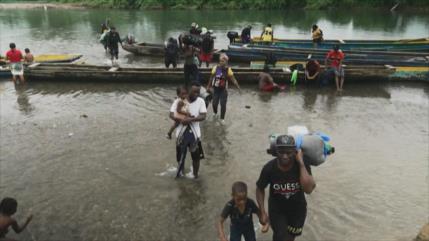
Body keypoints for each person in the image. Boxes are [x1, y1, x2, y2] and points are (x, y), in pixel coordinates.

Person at [256, 135, 316, 241]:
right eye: (281, 152)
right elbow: (260, 188)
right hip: (277, 210)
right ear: (276, 151)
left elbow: (309, 189)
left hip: (298, 211)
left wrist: (301, 163)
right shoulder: (269, 168)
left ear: (295, 152)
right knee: (280, 237)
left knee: (290, 237)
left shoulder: (302, 165)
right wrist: (262, 211)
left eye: (288, 153)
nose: (284, 156)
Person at [169, 82, 207, 179]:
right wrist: (181, 120)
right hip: (181, 133)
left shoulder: (201, 101)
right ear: (189, 90)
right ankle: (180, 174)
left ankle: (195, 175)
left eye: (198, 92)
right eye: (194, 92)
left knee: (196, 157)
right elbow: (171, 115)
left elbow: (203, 116)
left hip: (195, 134)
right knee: (180, 157)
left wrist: (190, 120)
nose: (196, 94)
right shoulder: (178, 101)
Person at [206, 54, 240, 123]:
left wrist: (238, 87)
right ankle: (215, 113)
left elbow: (233, 79)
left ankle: (222, 119)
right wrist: (208, 86)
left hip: (223, 89)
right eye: (220, 61)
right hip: (216, 89)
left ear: (226, 62)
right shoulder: (216, 68)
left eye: (223, 61)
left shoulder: (228, 70)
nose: (221, 62)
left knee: (223, 104)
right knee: (214, 103)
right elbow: (211, 78)